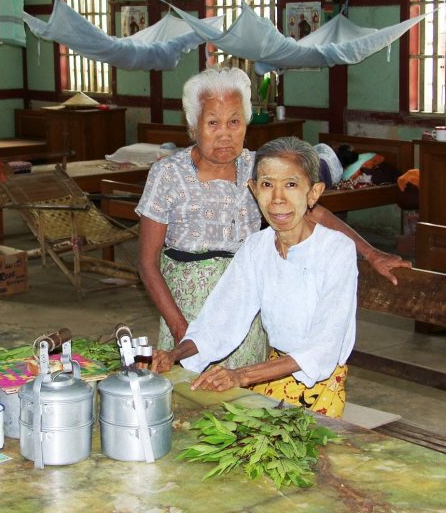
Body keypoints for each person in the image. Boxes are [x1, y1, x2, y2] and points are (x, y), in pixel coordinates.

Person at [136, 66, 409, 370]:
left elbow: (314, 210)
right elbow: (147, 263)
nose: (225, 133)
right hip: (185, 310)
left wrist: (371, 253)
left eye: (235, 122)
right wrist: (180, 329)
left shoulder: (260, 169)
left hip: (246, 306)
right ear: (192, 127)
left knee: (242, 398)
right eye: (213, 122)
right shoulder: (168, 174)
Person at [151, 137, 357, 418]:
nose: (278, 199)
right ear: (253, 190)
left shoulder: (337, 251)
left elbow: (322, 348)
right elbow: (220, 320)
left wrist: (241, 375)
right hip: (272, 376)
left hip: (319, 387)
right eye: (267, 185)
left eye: (292, 185)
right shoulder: (257, 247)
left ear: (314, 193)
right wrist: (174, 355)